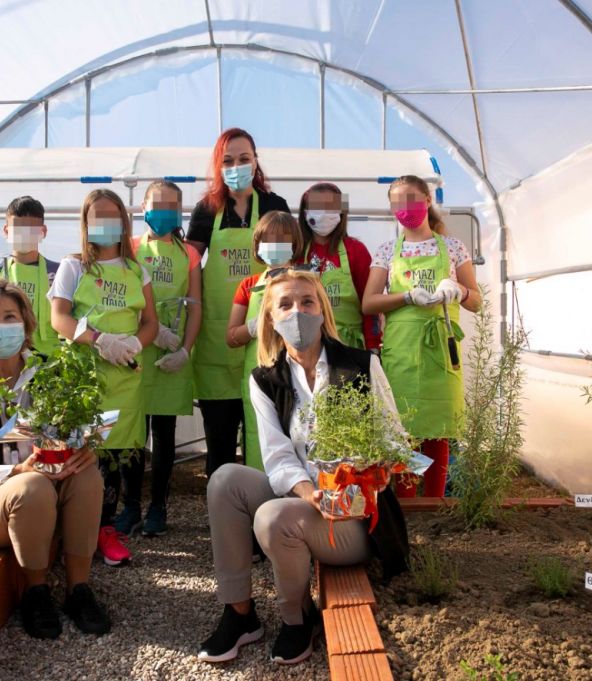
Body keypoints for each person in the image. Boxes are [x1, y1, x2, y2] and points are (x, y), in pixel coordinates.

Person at [197, 270, 408, 666]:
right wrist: (311, 494)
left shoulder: (361, 365)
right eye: (285, 305)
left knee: (274, 518)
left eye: (307, 302)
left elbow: (393, 441)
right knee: (225, 479)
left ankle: (297, 619)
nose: (298, 312)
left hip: (353, 519)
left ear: (322, 310)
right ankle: (239, 613)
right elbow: (276, 455)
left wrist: (367, 474)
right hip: (306, 499)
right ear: (271, 318)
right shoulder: (265, 379)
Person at [0, 278, 110, 640]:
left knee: (88, 476)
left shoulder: (50, 373)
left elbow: (73, 433)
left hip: (48, 494)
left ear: (26, 323)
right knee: (31, 485)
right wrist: (16, 470)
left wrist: (84, 448)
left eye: (9, 317)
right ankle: (36, 591)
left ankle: (79, 590)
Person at [49, 189, 158, 565]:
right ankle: (78, 529)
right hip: (86, 377)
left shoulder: (137, 270)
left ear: (124, 222)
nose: (106, 223)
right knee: (83, 453)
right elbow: (59, 318)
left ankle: (106, 529)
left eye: (113, 215)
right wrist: (99, 340)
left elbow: (151, 322)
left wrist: (134, 343)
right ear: (85, 223)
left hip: (125, 378)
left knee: (120, 455)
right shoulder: (74, 266)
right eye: (98, 216)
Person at [362, 175, 481, 497]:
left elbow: (477, 302)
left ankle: (434, 500)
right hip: (401, 351)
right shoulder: (387, 250)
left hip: (439, 351)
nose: (405, 207)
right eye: (397, 202)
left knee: (438, 429)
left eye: (412, 199)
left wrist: (459, 290)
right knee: (404, 429)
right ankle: (407, 499)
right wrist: (405, 297)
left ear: (428, 200)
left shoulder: (453, 248)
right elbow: (369, 302)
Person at [186, 128, 291, 479]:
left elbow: (291, 263)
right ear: (219, 166)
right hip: (218, 337)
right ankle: (221, 501)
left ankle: (264, 498)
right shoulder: (206, 210)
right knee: (219, 438)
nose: (236, 167)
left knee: (266, 434)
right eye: (228, 161)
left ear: (255, 161)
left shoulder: (274, 206)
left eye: (244, 159)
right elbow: (189, 264)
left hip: (266, 337)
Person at [114, 181, 203, 537]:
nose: (163, 213)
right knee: (132, 432)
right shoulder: (130, 248)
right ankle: (130, 505)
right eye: (156, 205)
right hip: (137, 347)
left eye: (171, 207)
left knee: (164, 434)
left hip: (171, 354)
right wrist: (152, 329)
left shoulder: (189, 254)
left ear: (180, 211)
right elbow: (123, 296)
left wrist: (185, 349)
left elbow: (195, 306)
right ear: (143, 208)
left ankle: (158, 507)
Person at [225, 211, 305, 471]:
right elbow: (231, 337)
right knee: (259, 435)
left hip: (297, 373)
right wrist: (254, 326)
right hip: (259, 374)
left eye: (282, 239)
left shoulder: (307, 284)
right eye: (267, 239)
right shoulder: (248, 286)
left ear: (294, 244)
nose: (274, 245)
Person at [297, 182, 381, 351]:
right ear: (305, 212)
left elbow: (369, 305)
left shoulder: (356, 250)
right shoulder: (296, 251)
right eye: (317, 207)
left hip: (349, 347)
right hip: (306, 346)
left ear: (341, 212)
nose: (323, 213)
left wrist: (373, 346)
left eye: (330, 207)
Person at [0, 196, 60, 357]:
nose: (25, 235)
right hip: (8, 359)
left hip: (51, 361)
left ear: (43, 231)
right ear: (6, 231)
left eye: (32, 229)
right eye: (18, 229)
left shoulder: (58, 273)